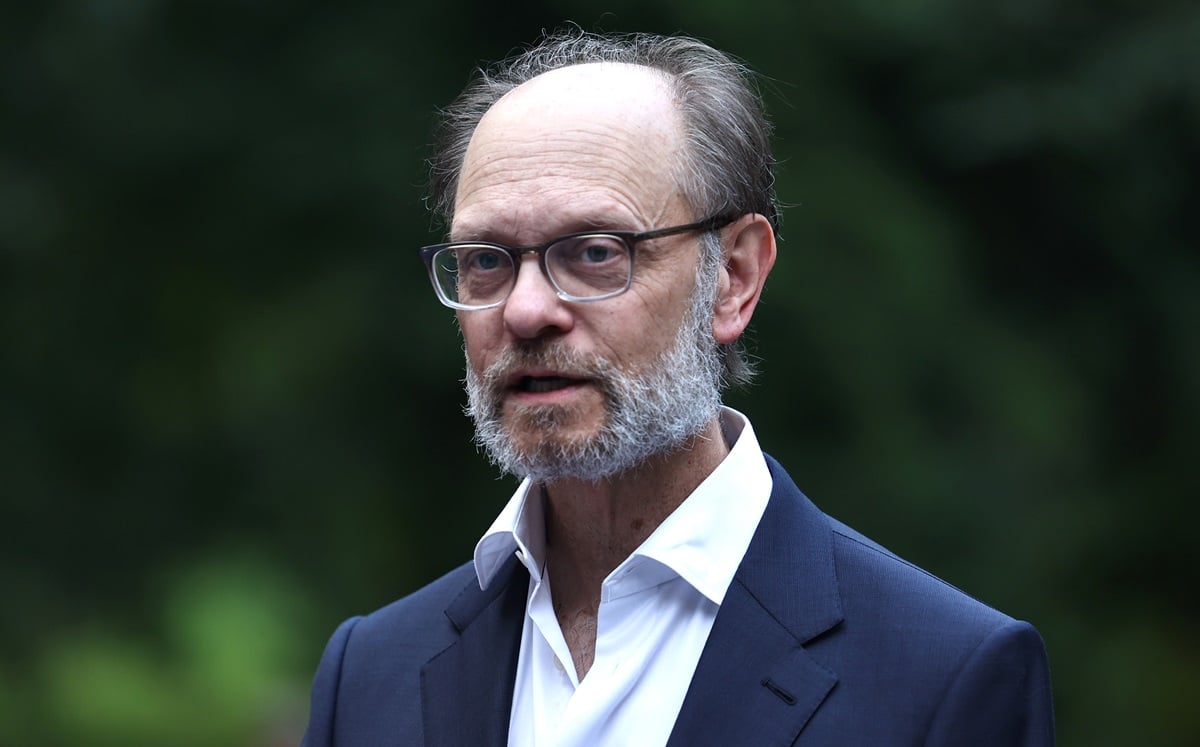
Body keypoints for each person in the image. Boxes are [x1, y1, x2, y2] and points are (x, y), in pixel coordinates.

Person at [301, 29, 1055, 746]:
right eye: (487, 260)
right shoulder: (370, 674)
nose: (526, 309)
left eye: (595, 251)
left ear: (734, 277)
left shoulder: (944, 677)